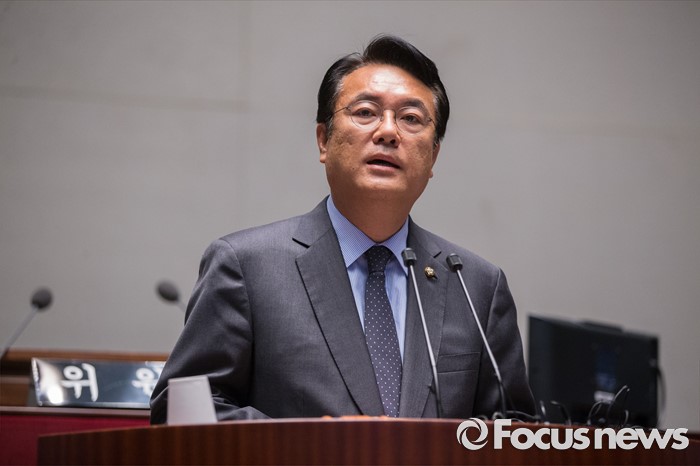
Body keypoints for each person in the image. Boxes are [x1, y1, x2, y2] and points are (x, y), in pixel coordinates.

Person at [150, 35, 534, 423]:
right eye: (366, 112)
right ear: (324, 140)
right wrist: (316, 444)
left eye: (411, 119)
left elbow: (516, 428)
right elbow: (180, 413)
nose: (388, 132)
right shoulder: (247, 268)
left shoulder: (475, 286)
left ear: (433, 155)